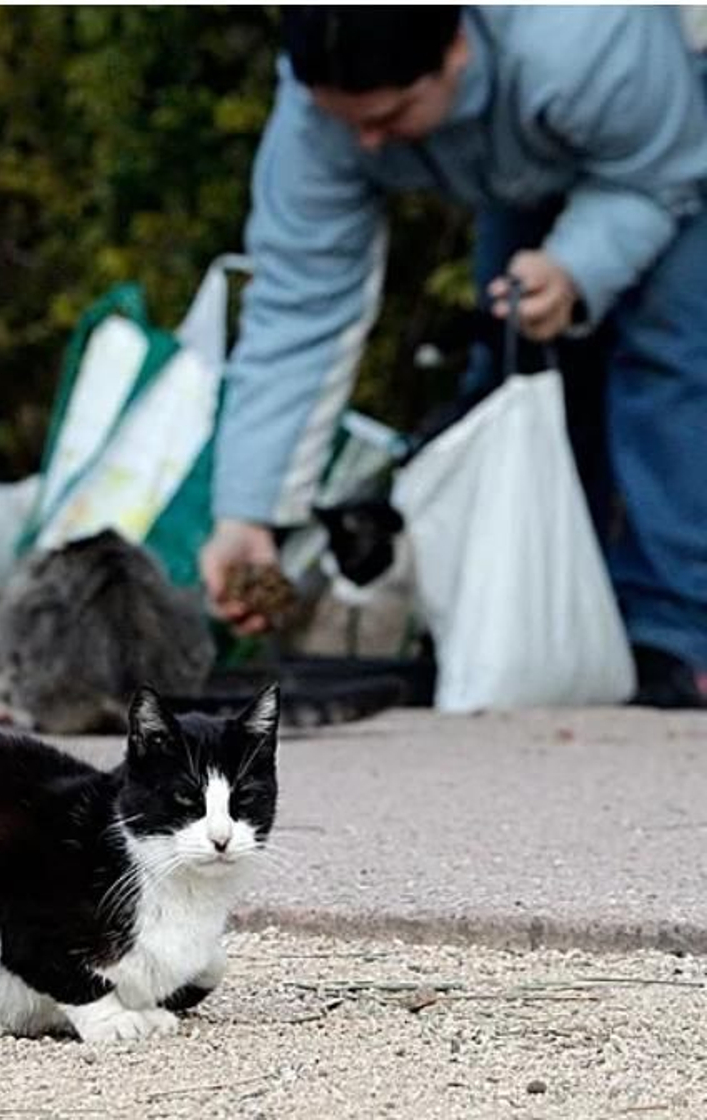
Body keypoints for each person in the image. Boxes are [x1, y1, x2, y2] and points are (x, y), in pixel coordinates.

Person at [198, 6, 707, 708]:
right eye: (350, 122)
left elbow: (659, 176)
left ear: (457, 50)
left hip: (666, 130)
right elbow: (298, 304)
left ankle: (679, 632)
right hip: (517, 147)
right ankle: (544, 622)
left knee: (671, 355)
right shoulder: (321, 111)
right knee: (513, 371)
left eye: (391, 115)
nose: (369, 143)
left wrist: (577, 266)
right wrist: (247, 516)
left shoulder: (582, 37)